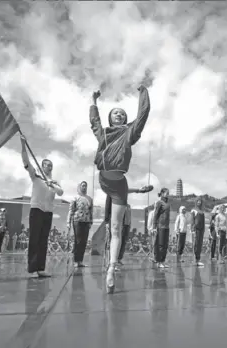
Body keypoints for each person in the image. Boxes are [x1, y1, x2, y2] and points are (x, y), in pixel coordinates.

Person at [89, 85, 151, 293]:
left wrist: (143, 92)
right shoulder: (104, 134)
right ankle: (109, 262)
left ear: (125, 120)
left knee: (116, 230)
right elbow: (94, 121)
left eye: (123, 114)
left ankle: (111, 269)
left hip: (119, 186)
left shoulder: (129, 132)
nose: (119, 115)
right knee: (111, 227)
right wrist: (93, 101)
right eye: (116, 112)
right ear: (111, 118)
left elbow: (143, 115)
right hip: (105, 179)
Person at [20, 134, 63, 277]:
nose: (49, 167)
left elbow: (61, 192)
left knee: (43, 240)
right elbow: (26, 161)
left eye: (51, 166)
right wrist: (23, 144)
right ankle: (32, 269)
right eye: (47, 165)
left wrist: (53, 185)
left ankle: (40, 268)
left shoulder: (54, 181)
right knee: (34, 239)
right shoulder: (36, 176)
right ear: (42, 166)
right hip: (36, 209)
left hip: (48, 212)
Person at [67, 181, 93, 268]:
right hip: (77, 221)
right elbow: (71, 210)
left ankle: (80, 261)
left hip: (86, 222)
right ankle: (76, 261)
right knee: (78, 241)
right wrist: (68, 222)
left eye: (86, 186)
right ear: (80, 187)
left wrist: (91, 222)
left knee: (84, 242)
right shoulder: (75, 198)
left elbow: (91, 211)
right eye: (83, 186)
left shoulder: (89, 199)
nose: (84, 187)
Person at [152, 188, 171, 269]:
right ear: (162, 193)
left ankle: (162, 261)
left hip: (166, 227)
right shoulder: (159, 203)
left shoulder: (167, 203)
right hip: (160, 226)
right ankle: (159, 261)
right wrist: (154, 227)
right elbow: (156, 215)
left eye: (168, 193)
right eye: (167, 193)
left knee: (165, 245)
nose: (168, 194)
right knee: (160, 245)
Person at [190, 198, 206, 267]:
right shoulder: (193, 210)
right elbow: (192, 220)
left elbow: (204, 221)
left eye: (200, 201)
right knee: (195, 244)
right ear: (196, 202)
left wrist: (204, 229)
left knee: (200, 244)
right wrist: (192, 229)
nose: (199, 202)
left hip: (201, 229)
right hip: (196, 229)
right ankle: (194, 260)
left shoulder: (202, 211)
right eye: (198, 201)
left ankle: (198, 260)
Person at [117, 204, 132, 268]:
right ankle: (116, 259)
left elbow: (129, 217)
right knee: (119, 242)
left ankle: (119, 258)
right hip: (121, 225)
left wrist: (129, 225)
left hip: (127, 226)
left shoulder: (128, 206)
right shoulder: (120, 205)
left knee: (124, 242)